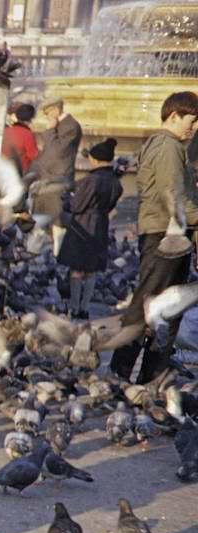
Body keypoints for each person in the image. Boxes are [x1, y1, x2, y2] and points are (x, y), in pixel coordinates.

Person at [110, 91, 198, 383]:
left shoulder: (165, 145)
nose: (194, 128)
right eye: (191, 120)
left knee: (163, 307)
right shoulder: (168, 146)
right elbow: (173, 195)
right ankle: (122, 375)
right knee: (151, 307)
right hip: (166, 237)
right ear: (174, 116)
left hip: (165, 234)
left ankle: (148, 376)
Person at [59, 137, 123, 319]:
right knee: (91, 270)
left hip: (83, 225)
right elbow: (110, 205)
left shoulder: (91, 180)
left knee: (77, 269)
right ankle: (85, 308)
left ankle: (74, 307)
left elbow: (77, 206)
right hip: (101, 224)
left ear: (94, 159)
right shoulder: (115, 181)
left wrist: (66, 200)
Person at [31, 97, 83, 254]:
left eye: (47, 113)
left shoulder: (71, 126)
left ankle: (57, 255)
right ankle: (35, 251)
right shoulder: (62, 125)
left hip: (58, 181)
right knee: (42, 220)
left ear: (55, 109)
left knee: (57, 223)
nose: (46, 117)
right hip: (47, 181)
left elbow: (57, 152)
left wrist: (50, 130)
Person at [1, 103, 38, 175]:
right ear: (30, 119)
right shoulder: (27, 134)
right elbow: (33, 155)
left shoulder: (6, 130)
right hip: (20, 172)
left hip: (4, 169)